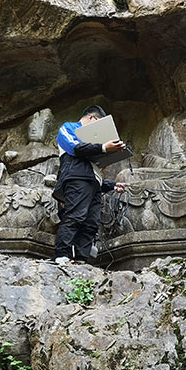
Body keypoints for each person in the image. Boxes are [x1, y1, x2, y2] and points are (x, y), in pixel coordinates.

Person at [52, 105, 127, 263]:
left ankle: (81, 258)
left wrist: (112, 185)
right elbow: (75, 148)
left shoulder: (93, 151)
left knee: (91, 223)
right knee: (75, 216)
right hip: (76, 178)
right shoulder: (68, 127)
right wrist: (103, 147)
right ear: (93, 118)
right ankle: (61, 255)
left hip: (93, 184)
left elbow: (92, 172)